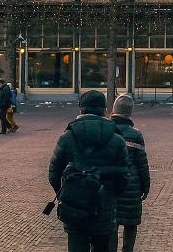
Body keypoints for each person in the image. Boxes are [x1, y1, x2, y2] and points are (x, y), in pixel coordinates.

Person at [49, 90, 129, 252]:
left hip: (75, 209)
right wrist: (111, 196)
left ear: (81, 109)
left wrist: (65, 194)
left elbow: (54, 173)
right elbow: (123, 178)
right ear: (104, 110)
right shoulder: (117, 139)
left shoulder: (67, 137)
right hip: (104, 209)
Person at [109, 95, 150, 252]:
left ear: (114, 110)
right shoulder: (135, 134)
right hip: (132, 186)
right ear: (130, 113)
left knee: (112, 224)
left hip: (111, 185)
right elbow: (142, 164)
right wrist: (145, 187)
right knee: (131, 223)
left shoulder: (107, 130)